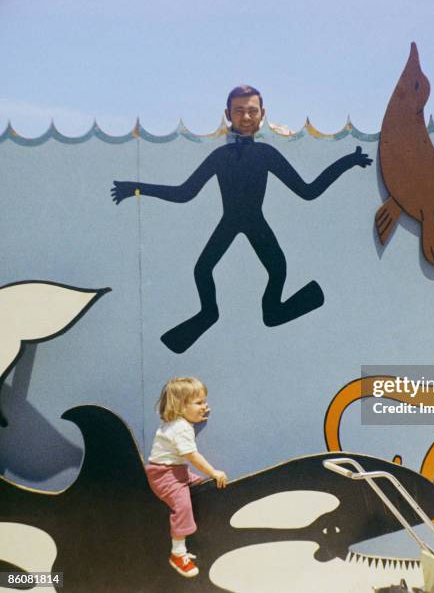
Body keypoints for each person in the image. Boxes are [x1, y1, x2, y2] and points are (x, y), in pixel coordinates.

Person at [111, 85, 372, 353]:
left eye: (252, 111)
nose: (246, 117)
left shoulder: (266, 154)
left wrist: (348, 162)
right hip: (230, 220)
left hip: (255, 222)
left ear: (262, 114)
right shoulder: (220, 156)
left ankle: (283, 308)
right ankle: (208, 313)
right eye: (239, 111)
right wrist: (135, 188)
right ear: (228, 114)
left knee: (277, 273)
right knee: (202, 270)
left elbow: (308, 191)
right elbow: (184, 193)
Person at [146, 377, 227, 578]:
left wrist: (198, 414)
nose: (205, 406)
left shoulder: (177, 422)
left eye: (204, 402)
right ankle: (178, 553)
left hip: (177, 471)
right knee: (182, 506)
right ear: (181, 407)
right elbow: (192, 456)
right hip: (165, 476)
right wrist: (213, 472)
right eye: (199, 403)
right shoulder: (180, 428)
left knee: (201, 488)